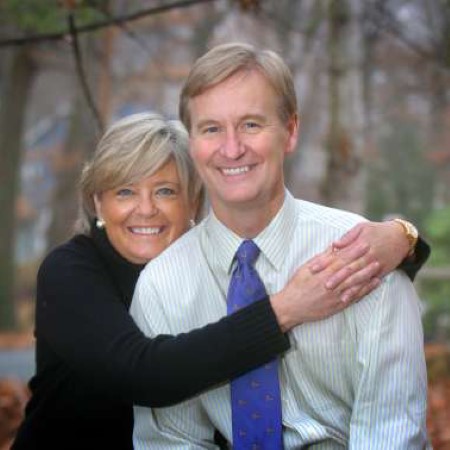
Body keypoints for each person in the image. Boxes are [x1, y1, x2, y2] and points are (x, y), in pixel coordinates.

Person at [12, 113, 426, 450]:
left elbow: (333, 267)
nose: (146, 209)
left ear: (194, 201)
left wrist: (403, 239)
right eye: (124, 192)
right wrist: (286, 309)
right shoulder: (70, 271)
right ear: (98, 203)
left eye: (165, 191)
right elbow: (143, 373)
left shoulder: (212, 264)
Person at [130, 43, 431, 449]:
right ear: (193, 143)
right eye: (211, 129)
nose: (232, 148)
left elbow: (391, 433)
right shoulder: (162, 284)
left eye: (251, 125)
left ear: (290, 132)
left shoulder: (364, 256)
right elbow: (171, 441)